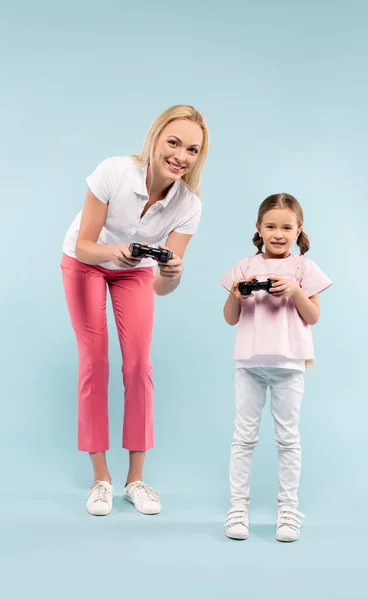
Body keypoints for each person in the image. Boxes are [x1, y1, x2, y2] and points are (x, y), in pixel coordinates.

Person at [61, 105, 209, 516]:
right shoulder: (114, 172)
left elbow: (162, 287)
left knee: (138, 366)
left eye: (192, 150)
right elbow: (84, 245)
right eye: (174, 143)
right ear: (156, 139)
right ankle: (101, 479)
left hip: (136, 273)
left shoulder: (189, 205)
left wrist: (174, 270)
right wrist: (116, 251)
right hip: (86, 262)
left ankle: (135, 480)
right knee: (94, 360)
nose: (181, 156)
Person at [219, 193, 332, 542]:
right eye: (271, 226)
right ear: (259, 228)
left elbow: (312, 316)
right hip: (250, 363)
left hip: (288, 364)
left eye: (286, 227)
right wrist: (236, 295)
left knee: (287, 439)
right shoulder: (245, 267)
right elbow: (229, 319)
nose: (278, 234)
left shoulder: (303, 268)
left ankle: (288, 509)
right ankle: (238, 507)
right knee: (244, 437)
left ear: (299, 230)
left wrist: (295, 292)